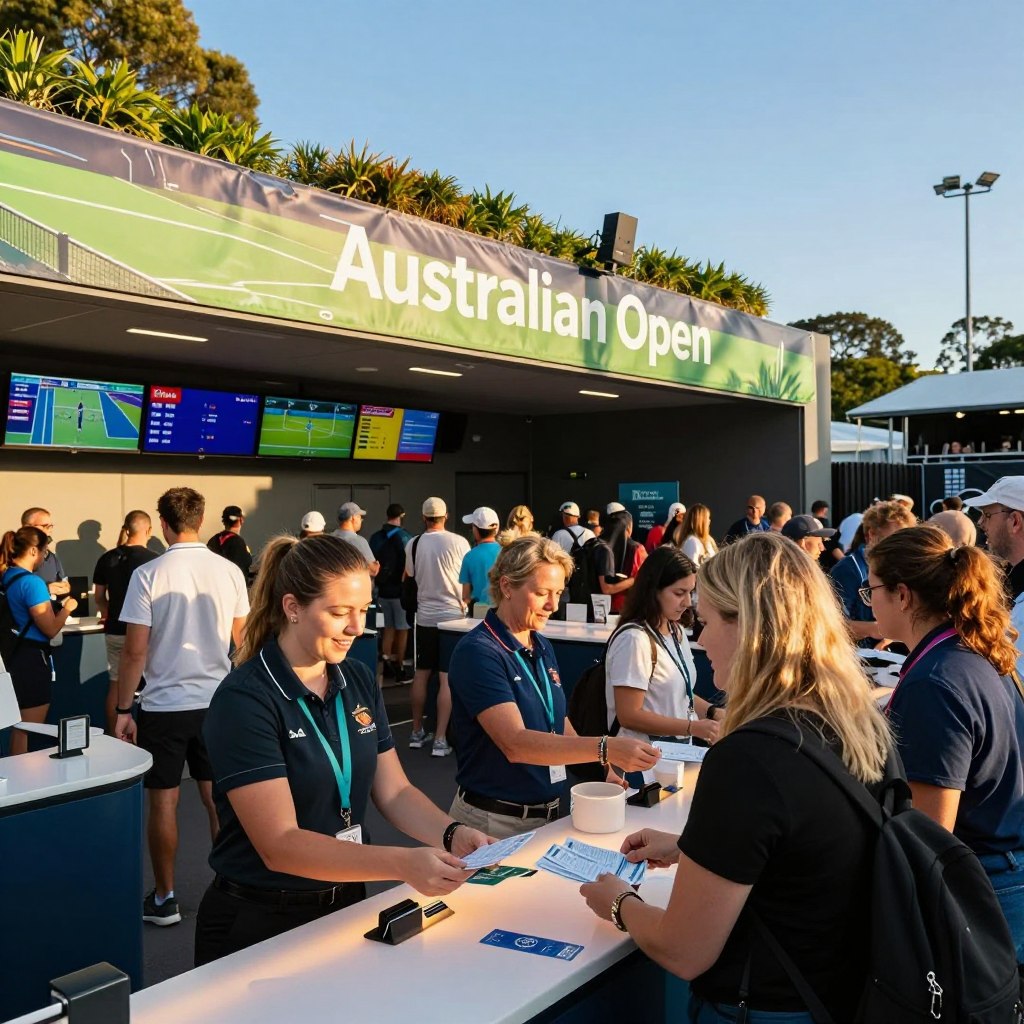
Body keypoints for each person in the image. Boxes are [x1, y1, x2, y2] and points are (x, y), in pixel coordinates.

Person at [579, 532, 892, 1023]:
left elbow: (684, 949)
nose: (699, 640)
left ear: (749, 626)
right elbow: (808, 843)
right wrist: (693, 847)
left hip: (765, 1004)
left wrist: (618, 902)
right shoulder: (859, 726)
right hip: (841, 992)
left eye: (705, 622)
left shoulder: (748, 759)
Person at [193, 534, 490, 966]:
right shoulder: (245, 699)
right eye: (339, 613)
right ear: (292, 608)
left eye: (363, 611)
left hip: (347, 903)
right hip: (261, 920)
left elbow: (394, 792)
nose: (356, 627)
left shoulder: (356, 677)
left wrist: (452, 834)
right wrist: (404, 865)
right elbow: (280, 844)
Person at [866, 525, 1024, 963]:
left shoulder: (934, 681)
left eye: (872, 589)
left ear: (902, 595)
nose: (869, 600)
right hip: (1002, 868)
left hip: (984, 884)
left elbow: (928, 835)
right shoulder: (974, 652)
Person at [448, 536, 660, 838]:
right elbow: (515, 744)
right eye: (542, 593)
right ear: (507, 587)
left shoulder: (540, 643)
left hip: (549, 815)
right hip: (492, 823)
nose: (553, 605)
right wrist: (605, 747)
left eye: (558, 592)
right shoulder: (479, 652)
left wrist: (605, 768)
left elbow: (557, 721)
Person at [115, 488, 250, 928]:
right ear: (201, 517)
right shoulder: (228, 570)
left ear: (165, 524)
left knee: (163, 803)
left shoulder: (148, 573)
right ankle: (231, 886)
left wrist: (122, 710)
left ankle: (165, 898)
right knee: (218, 800)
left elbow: (135, 652)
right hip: (218, 703)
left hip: (164, 706)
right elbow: (242, 642)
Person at [605, 547, 721, 746]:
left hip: (674, 753)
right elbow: (629, 715)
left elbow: (678, 693)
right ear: (653, 590)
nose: (686, 602)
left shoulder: (676, 631)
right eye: (679, 593)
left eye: (690, 592)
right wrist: (693, 727)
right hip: (639, 760)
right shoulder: (634, 639)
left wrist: (712, 712)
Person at [0, 527, 78, 755]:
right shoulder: (32, 583)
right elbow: (51, 628)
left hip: (13, 656)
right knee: (29, 727)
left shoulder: (8, 575)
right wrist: (67, 609)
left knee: (19, 726)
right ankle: (26, 780)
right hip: (32, 660)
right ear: (34, 550)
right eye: (44, 552)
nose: (46, 557)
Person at [405, 497, 470, 757]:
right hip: (454, 617)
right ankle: (441, 739)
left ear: (423, 517)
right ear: (446, 516)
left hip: (425, 618)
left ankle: (416, 730)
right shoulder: (459, 542)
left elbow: (410, 576)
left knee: (421, 674)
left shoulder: (413, 543)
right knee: (446, 678)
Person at [92, 510, 158, 734]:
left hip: (115, 630)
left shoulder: (106, 558)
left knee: (116, 683)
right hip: (147, 633)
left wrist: (107, 612)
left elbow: (99, 597)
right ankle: (147, 736)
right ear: (148, 530)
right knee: (152, 684)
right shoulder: (155, 559)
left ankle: (115, 735)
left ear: (126, 529)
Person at [829, 499, 915, 648]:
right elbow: (831, 625)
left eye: (906, 538)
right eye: (894, 538)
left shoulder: (905, 567)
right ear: (871, 535)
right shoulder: (849, 570)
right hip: (862, 663)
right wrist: (875, 629)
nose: (902, 545)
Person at [964, 477, 1024, 677]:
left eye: (987, 514)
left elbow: (1011, 681)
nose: (980, 522)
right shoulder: (1010, 581)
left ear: (1015, 521)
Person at [369, 504, 412, 682]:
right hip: (399, 591)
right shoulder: (405, 537)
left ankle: (385, 662)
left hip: (382, 591)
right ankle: (399, 666)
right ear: (402, 516)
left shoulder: (375, 538)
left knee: (388, 627)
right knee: (402, 628)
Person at [602, 511, 647, 613]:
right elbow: (643, 577)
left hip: (601, 605)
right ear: (629, 528)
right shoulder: (637, 549)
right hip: (627, 605)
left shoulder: (600, 546)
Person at [20, 507, 69, 597]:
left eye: (51, 526)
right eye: (45, 526)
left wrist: (64, 586)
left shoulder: (51, 556)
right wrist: (47, 589)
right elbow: (13, 591)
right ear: (27, 527)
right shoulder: (14, 556)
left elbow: (63, 580)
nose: (50, 530)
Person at [459, 507, 501, 612]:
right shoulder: (507, 552)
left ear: (475, 530)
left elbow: (466, 596)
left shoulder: (469, 557)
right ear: (496, 529)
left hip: (479, 613)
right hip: (503, 611)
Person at [331, 502, 379, 576]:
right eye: (359, 517)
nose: (361, 521)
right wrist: (376, 565)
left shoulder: (329, 538)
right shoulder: (358, 541)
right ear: (353, 518)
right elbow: (373, 571)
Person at [206, 506, 253, 580]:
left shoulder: (213, 540)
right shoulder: (238, 542)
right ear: (241, 520)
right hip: (233, 587)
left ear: (223, 522)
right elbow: (243, 569)